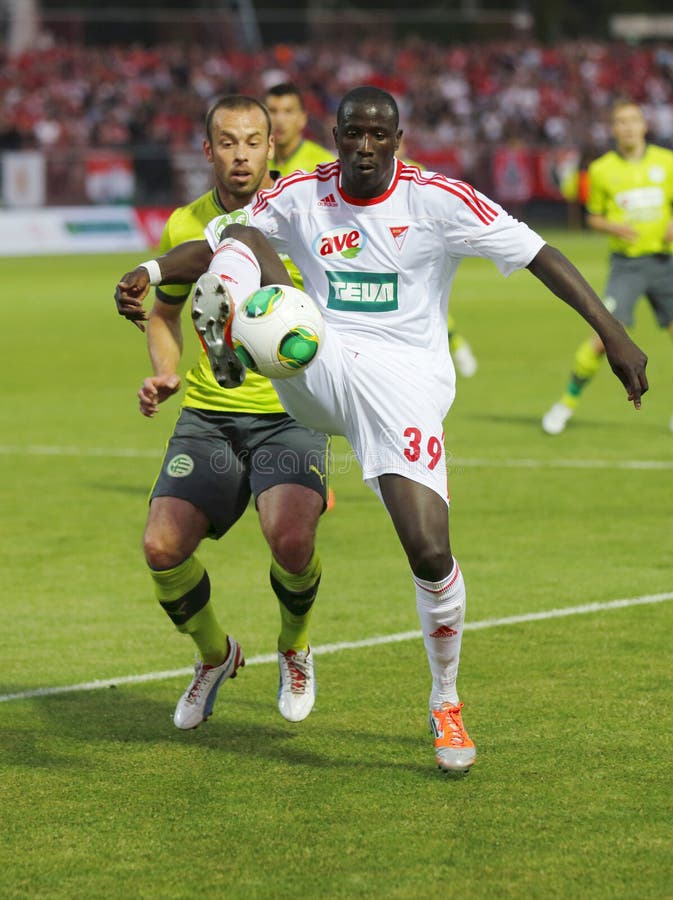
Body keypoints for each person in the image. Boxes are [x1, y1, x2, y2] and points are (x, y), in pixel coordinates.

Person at [115, 86, 648, 773]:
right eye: (351, 136)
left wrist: (613, 336)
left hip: (405, 384)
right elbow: (215, 243)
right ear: (334, 137)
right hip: (320, 365)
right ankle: (236, 337)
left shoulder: (438, 199)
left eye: (377, 136)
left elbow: (538, 252)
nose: (362, 148)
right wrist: (154, 269)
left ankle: (445, 702)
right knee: (246, 235)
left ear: (397, 139)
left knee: (428, 550)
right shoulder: (304, 192)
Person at [117, 95, 331, 731]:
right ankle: (216, 656)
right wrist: (163, 368)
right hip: (210, 413)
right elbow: (164, 312)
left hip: (290, 413)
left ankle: (294, 645)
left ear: (274, 147)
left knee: (291, 539)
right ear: (208, 151)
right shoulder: (186, 223)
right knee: (161, 546)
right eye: (228, 142)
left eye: (253, 141)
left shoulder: (302, 214)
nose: (241, 154)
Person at [542, 99, 673, 435]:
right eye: (621, 122)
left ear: (645, 125)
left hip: (665, 263)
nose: (628, 127)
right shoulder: (601, 170)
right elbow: (593, 217)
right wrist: (615, 227)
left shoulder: (667, 162)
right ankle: (566, 403)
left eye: (633, 120)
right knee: (603, 338)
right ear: (614, 129)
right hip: (627, 266)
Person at [397, 135, 478, 378]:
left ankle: (454, 347)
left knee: (423, 302)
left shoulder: (417, 172)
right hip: (384, 250)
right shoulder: (367, 177)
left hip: (412, 248)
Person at [264, 82, 334, 176]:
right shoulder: (257, 162)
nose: (279, 120)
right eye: (273, 111)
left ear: (303, 119)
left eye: (288, 111)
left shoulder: (325, 166)